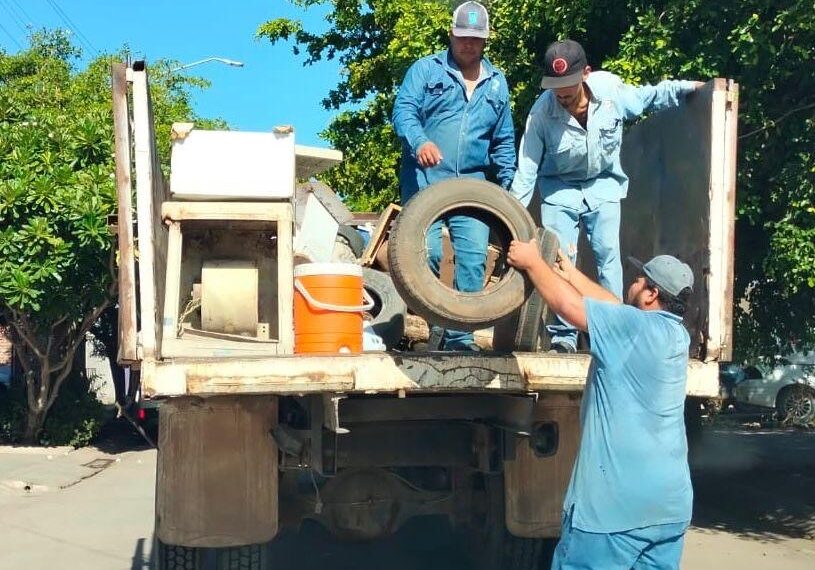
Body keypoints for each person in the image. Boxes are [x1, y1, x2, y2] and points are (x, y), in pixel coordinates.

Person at [507, 239, 694, 570]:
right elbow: (613, 307)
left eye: (638, 279)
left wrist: (532, 262)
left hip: (614, 511)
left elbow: (569, 308)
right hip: (668, 509)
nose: (631, 283)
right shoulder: (675, 335)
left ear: (651, 294)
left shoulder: (633, 329)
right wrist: (572, 274)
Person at [510, 39, 703, 353]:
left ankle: (607, 333)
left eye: (569, 85)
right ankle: (564, 338)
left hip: (605, 186)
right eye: (555, 87)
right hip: (560, 190)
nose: (562, 94)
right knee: (562, 258)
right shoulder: (540, 115)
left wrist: (689, 88)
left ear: (586, 73)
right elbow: (526, 172)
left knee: (608, 259)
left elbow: (649, 97)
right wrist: (512, 221)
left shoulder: (612, 92)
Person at [392, 1, 516, 351]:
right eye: (462, 37)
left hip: (472, 187)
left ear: (485, 41)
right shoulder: (426, 70)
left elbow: (504, 141)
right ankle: (433, 329)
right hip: (425, 179)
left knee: (474, 259)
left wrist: (507, 191)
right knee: (425, 252)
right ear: (451, 34)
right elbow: (403, 111)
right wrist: (420, 142)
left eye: (475, 39)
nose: (468, 45)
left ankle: (459, 338)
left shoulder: (497, 84)